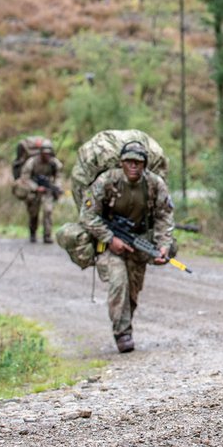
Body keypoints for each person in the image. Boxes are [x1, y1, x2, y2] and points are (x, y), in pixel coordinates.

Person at [78, 141, 175, 353]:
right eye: (129, 162)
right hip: (108, 244)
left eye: (138, 162)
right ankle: (122, 333)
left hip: (138, 244)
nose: (134, 166)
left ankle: (125, 324)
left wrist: (164, 245)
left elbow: (164, 216)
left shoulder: (154, 184)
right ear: (121, 163)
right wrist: (110, 237)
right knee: (118, 281)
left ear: (145, 165)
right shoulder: (107, 181)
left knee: (132, 291)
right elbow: (87, 216)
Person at [14, 139, 63, 243]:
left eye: (48, 153)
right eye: (44, 153)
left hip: (48, 190)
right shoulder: (32, 162)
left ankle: (47, 235)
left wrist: (57, 187)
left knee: (48, 211)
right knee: (33, 213)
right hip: (34, 191)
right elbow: (25, 177)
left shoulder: (54, 163)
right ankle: (32, 233)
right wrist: (35, 187)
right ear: (40, 152)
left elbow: (58, 176)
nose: (46, 155)